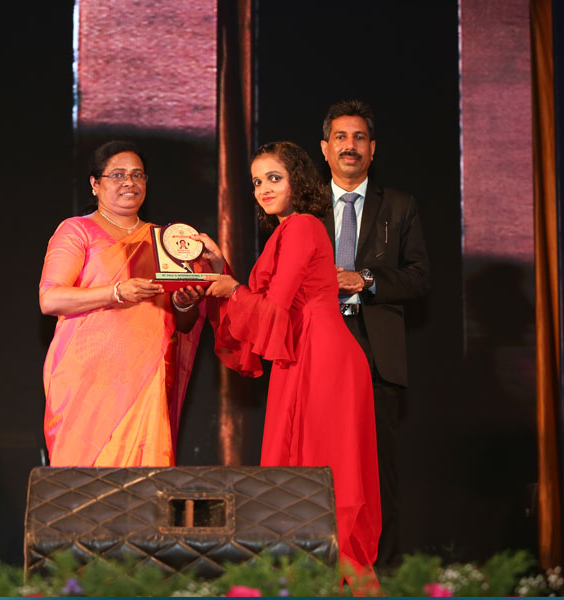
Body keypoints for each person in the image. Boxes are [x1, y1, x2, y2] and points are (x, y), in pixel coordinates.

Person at [198, 142, 381, 581]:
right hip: (301, 353)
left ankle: (334, 581)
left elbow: (273, 307)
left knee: (323, 475)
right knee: (300, 475)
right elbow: (265, 303)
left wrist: (232, 289)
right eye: (257, 181)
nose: (263, 188)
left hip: (322, 356)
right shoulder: (287, 231)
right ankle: (305, 580)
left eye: (274, 178)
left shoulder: (301, 227)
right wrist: (224, 271)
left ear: (297, 180)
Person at [39, 140, 204, 467]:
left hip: (146, 377)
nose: (129, 182)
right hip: (88, 380)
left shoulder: (165, 241)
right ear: (95, 183)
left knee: (144, 483)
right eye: (117, 175)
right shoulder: (77, 231)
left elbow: (182, 323)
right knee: (86, 484)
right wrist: (116, 292)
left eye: (137, 175)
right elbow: (51, 298)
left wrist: (185, 304)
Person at [319, 100, 430, 566]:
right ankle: (319, 573)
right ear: (325, 148)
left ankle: (382, 575)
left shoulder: (400, 205)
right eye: (341, 137)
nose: (350, 146)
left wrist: (365, 279)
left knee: (378, 471)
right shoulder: (302, 207)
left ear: (373, 148)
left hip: (375, 352)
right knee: (320, 466)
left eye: (359, 137)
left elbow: (420, 278)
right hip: (317, 349)